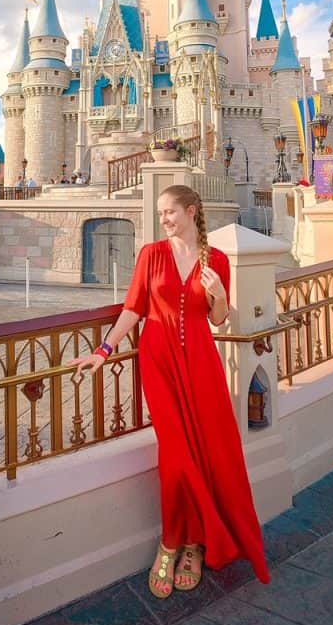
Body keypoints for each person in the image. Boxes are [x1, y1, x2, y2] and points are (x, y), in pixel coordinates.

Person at [73, 184, 269, 597]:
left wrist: (217, 294)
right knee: (177, 453)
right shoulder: (151, 254)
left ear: (191, 211)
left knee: (208, 450)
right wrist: (104, 349)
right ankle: (171, 541)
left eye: (169, 212)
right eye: (160, 212)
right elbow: (134, 307)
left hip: (201, 361)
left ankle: (193, 544)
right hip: (158, 359)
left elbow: (217, 318)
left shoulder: (215, 260)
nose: (163, 219)